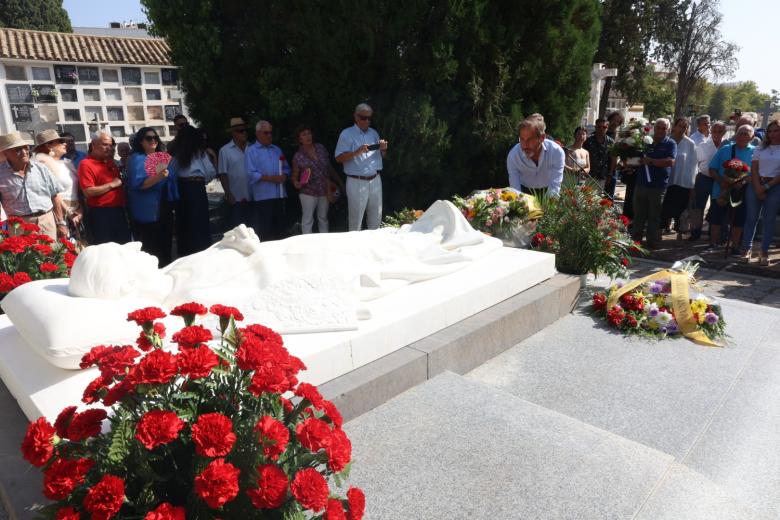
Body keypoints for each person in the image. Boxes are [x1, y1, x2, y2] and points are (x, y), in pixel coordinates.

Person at [0, 131, 68, 239]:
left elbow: (54, 196)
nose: (24, 152)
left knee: (51, 254)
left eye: (25, 148)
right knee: (25, 256)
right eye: (18, 150)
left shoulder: (41, 168)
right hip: (19, 226)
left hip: (46, 220)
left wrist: (61, 222)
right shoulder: (1, 174)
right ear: (6, 153)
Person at [126, 127, 177, 267]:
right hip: (148, 209)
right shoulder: (137, 159)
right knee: (151, 247)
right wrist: (159, 176)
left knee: (166, 243)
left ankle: (166, 272)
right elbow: (139, 184)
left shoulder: (161, 156)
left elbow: (170, 180)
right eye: (149, 138)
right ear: (141, 141)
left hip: (164, 204)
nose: (153, 140)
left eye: (155, 138)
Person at [335, 103, 388, 231]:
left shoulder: (374, 133)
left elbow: (381, 156)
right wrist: (356, 152)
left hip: (375, 179)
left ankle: (373, 248)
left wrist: (383, 149)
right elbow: (338, 158)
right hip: (356, 181)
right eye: (363, 118)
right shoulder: (346, 134)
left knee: (376, 217)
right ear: (356, 116)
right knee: (356, 219)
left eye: (369, 118)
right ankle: (355, 249)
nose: (367, 121)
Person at [168, 124, 216, 256]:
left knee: (184, 224)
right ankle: (201, 252)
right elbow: (210, 172)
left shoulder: (176, 154)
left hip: (182, 189)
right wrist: (201, 181)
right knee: (200, 223)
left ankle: (185, 253)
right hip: (197, 189)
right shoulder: (200, 153)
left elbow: (171, 172)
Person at [708, 124, 755, 254]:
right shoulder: (724, 149)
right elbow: (712, 169)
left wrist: (743, 181)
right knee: (716, 218)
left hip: (742, 192)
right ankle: (712, 243)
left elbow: (756, 174)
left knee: (738, 220)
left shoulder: (755, 152)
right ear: (736, 134)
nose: (742, 136)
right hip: (721, 190)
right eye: (740, 133)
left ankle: (734, 246)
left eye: (746, 134)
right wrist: (722, 181)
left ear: (752, 137)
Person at [631, 118, 677, 249]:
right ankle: (636, 241)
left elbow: (670, 162)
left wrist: (651, 161)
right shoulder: (645, 141)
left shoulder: (670, 143)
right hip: (641, 184)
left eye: (664, 128)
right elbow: (636, 158)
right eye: (659, 128)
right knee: (639, 215)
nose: (661, 130)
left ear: (668, 130)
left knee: (654, 216)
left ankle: (652, 242)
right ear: (654, 128)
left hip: (658, 186)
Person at [78, 132, 131, 245]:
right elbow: (88, 192)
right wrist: (112, 184)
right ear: (93, 145)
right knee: (106, 251)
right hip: (101, 214)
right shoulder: (85, 164)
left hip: (119, 211)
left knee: (124, 247)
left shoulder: (109, 161)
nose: (109, 148)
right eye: (105, 144)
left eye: (111, 145)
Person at [740, 119, 780, 266]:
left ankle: (764, 252)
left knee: (769, 220)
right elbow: (754, 168)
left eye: (776, 130)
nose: (773, 134)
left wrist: (766, 187)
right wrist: (758, 186)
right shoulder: (760, 148)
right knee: (751, 218)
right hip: (756, 183)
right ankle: (746, 249)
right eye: (770, 131)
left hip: (775, 186)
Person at [292, 126, 345, 234]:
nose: (308, 136)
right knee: (307, 220)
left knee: (323, 218)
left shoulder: (320, 148)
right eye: (304, 134)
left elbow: (329, 168)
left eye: (309, 133)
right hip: (308, 191)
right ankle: (307, 245)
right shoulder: (298, 156)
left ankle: (324, 245)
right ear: (299, 139)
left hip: (325, 189)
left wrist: (339, 182)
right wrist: (295, 182)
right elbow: (294, 175)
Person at [33, 129, 83, 243]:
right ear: (48, 146)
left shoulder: (67, 163)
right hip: (60, 214)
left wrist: (80, 210)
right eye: (60, 141)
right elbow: (53, 194)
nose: (65, 144)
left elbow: (78, 189)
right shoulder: (43, 164)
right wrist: (68, 214)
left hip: (76, 213)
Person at [245, 120, 290, 241]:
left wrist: (285, 175)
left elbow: (286, 168)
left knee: (281, 232)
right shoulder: (251, 151)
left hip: (279, 196)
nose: (269, 135)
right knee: (265, 233)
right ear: (258, 134)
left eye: (271, 132)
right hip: (263, 198)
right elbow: (251, 174)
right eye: (266, 133)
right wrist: (272, 179)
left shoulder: (276, 149)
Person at [507, 115, 564, 197]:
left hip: (548, 189)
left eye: (529, 140)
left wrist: (549, 206)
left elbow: (554, 187)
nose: (525, 145)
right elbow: (515, 189)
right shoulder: (513, 156)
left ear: (542, 137)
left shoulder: (556, 152)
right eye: (522, 139)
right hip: (524, 190)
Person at [661, 118, 697, 238]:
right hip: (667, 180)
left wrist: (692, 185)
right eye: (680, 126)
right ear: (674, 126)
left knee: (680, 207)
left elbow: (693, 165)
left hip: (682, 181)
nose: (682, 129)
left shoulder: (690, 143)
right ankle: (663, 227)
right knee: (665, 206)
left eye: (684, 127)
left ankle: (679, 230)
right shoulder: (667, 140)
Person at [690, 121, 726, 241]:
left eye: (720, 131)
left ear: (724, 132)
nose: (716, 133)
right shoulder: (703, 145)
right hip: (703, 179)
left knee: (715, 208)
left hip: (719, 181)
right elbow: (695, 164)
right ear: (711, 131)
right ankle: (695, 234)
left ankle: (713, 235)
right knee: (698, 208)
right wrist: (693, 184)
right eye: (714, 131)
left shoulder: (727, 146)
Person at [218, 117, 251, 229]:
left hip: (254, 195)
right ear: (233, 133)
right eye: (240, 131)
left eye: (245, 130)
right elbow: (223, 173)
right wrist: (228, 193)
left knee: (255, 228)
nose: (244, 133)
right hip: (236, 197)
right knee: (239, 229)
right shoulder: (225, 151)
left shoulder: (253, 148)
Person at [583, 117, 615, 195]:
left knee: (598, 198)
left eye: (604, 127)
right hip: (589, 175)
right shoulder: (588, 140)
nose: (601, 129)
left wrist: (610, 174)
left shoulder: (611, 142)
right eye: (599, 127)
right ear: (595, 127)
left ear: (607, 128)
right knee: (588, 197)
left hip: (603, 175)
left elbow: (613, 158)